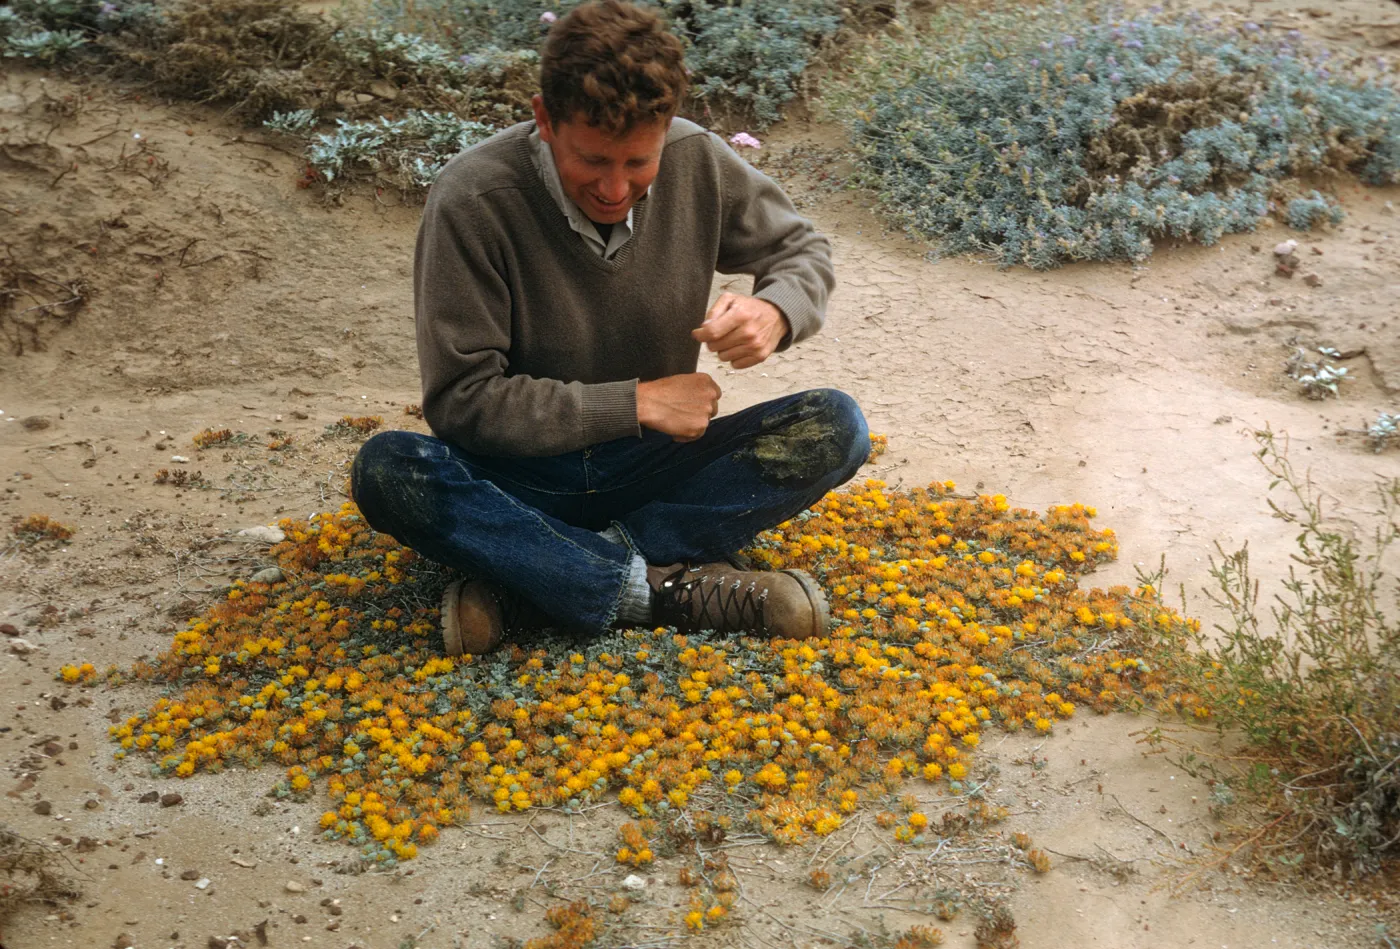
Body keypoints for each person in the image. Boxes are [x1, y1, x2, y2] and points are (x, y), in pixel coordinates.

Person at [350, 0, 869, 656]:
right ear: (544, 119)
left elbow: (803, 251)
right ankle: (654, 588)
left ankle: (542, 576)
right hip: (521, 476)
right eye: (593, 160)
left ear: (664, 130)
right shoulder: (470, 200)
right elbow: (462, 402)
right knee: (388, 468)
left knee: (837, 426)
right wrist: (637, 401)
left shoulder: (696, 158)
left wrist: (777, 309)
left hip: (651, 466)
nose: (615, 187)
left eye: (638, 163)